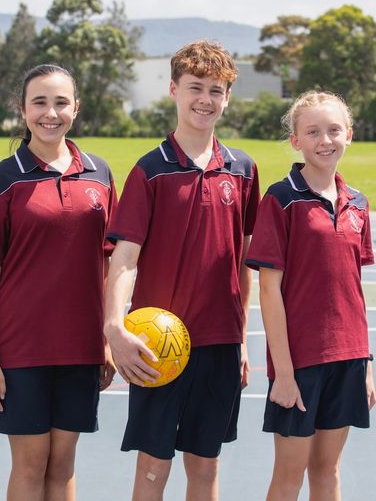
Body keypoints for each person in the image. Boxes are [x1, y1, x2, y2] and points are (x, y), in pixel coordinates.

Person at [104, 40, 260, 501]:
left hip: (220, 343)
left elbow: (242, 263)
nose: (205, 99)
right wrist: (114, 327)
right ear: (173, 90)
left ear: (227, 98)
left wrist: (243, 341)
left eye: (216, 90)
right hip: (159, 346)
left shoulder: (243, 170)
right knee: (153, 468)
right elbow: (125, 258)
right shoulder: (149, 171)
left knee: (206, 468)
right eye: (195, 87)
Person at [0, 64, 117, 501]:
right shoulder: (3, 181)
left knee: (63, 466)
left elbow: (108, 266)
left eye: (61, 102)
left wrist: (105, 339)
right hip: (21, 351)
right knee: (30, 466)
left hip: (80, 349)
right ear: (22, 109)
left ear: (77, 108)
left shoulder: (100, 175)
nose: (51, 113)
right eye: (40, 103)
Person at [245, 91, 376, 501]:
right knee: (289, 477)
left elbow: (351, 288)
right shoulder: (281, 199)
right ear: (295, 140)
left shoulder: (357, 203)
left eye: (334, 130)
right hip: (299, 363)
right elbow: (269, 289)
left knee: (328, 471)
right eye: (313, 131)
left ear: (349, 135)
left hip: (349, 357)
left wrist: (366, 362)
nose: (325, 140)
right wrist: (283, 373)